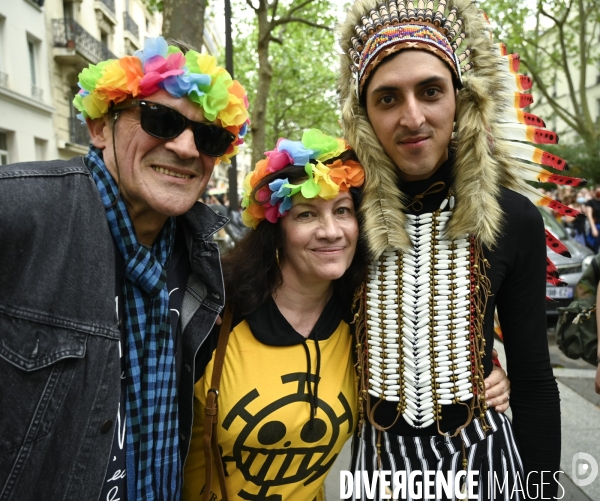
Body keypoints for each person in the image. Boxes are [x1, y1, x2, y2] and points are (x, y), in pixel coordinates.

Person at [181, 130, 511, 500]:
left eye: (342, 211)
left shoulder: (362, 322)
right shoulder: (213, 315)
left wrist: (489, 369)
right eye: (306, 214)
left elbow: (425, 346)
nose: (331, 231)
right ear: (277, 232)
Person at [337, 0, 570, 498]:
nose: (412, 117)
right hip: (377, 472)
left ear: (462, 101)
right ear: (365, 117)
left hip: (487, 464)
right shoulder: (337, 219)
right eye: (387, 99)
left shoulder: (514, 218)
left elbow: (533, 376)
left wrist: (542, 489)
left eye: (430, 91)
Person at [0, 37, 249, 501]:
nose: (186, 148)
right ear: (99, 126)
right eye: (161, 120)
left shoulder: (201, 260)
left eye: (209, 136)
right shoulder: (19, 212)